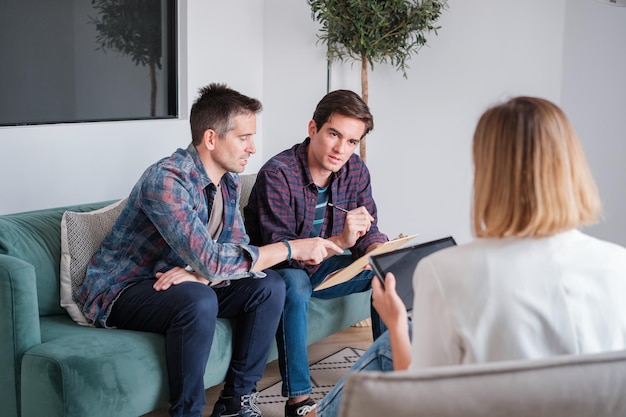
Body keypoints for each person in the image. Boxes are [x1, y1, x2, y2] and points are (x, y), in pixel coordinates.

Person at [310, 96, 626, 417]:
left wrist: (395, 322)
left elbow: (419, 399)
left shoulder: (445, 271)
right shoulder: (619, 266)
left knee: (395, 341)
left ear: (488, 171)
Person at [78, 83, 342, 417]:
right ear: (211, 138)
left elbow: (236, 251)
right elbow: (215, 261)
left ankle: (235, 403)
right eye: (243, 137)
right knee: (198, 298)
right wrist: (291, 248)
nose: (252, 147)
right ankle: (187, 412)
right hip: (124, 289)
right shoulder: (167, 180)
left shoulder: (229, 181)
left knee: (269, 285)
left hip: (184, 279)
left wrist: (201, 273)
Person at [244, 89, 389, 417]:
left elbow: (369, 228)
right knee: (294, 285)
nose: (341, 149)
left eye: (352, 142)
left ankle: (389, 378)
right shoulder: (278, 173)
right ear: (313, 129)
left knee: (385, 271)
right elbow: (286, 252)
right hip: (278, 269)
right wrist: (342, 239)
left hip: (325, 266)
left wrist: (377, 250)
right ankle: (298, 399)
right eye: (334, 134)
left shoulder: (356, 171)